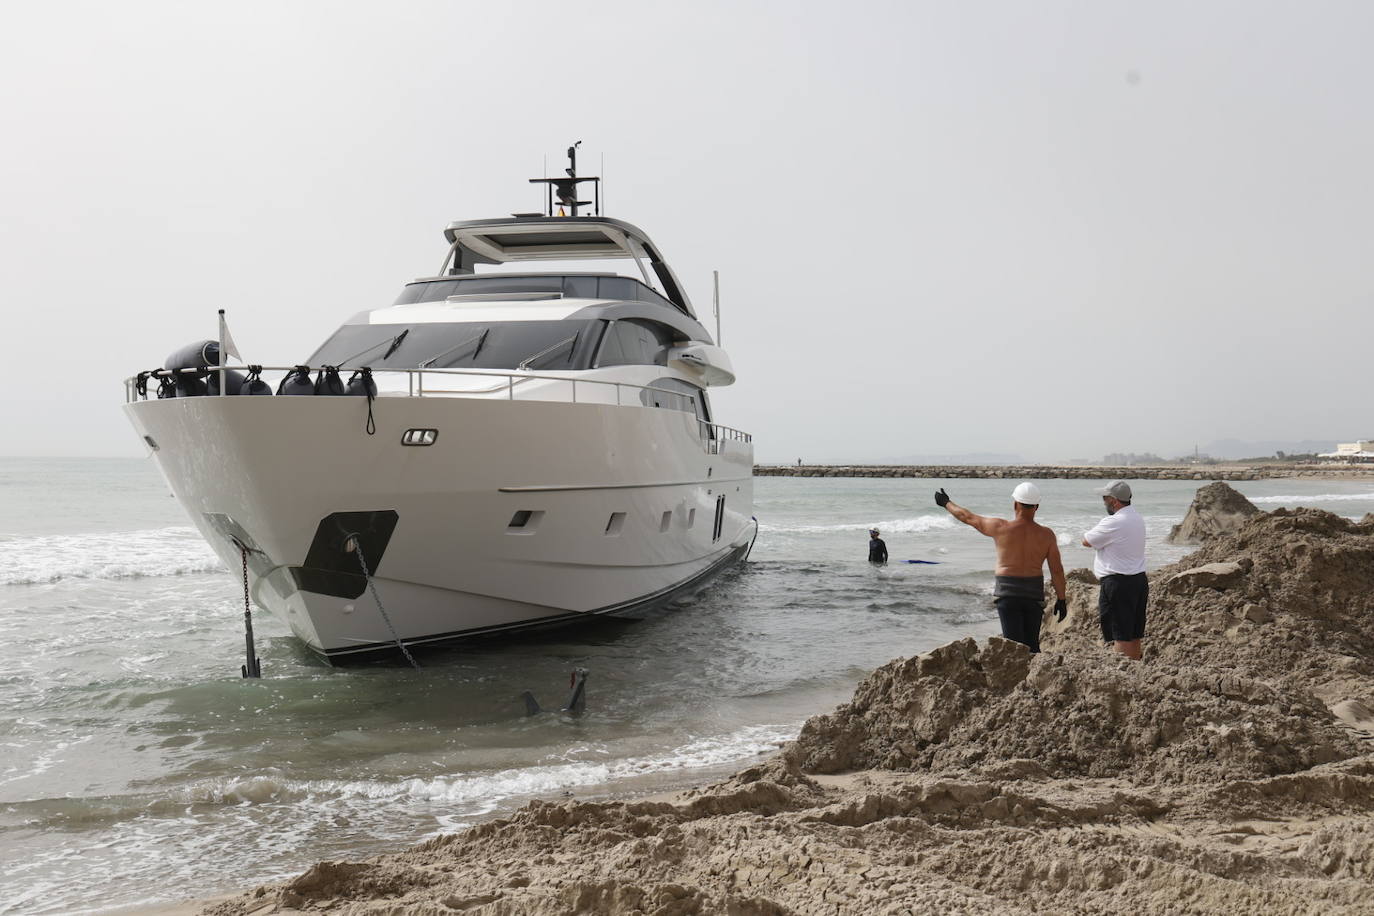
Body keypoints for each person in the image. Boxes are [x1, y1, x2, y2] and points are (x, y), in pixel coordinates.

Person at [936, 482, 1067, 653]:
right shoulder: (1047, 535)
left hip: (1008, 595)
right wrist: (1062, 599)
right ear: (1036, 506)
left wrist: (946, 502)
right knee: (1032, 646)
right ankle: (1032, 676)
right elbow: (1056, 570)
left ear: (1015, 504)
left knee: (1013, 647)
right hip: (1033, 596)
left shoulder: (1000, 527)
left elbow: (967, 517)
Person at [1081, 480, 1147, 660]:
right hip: (1138, 580)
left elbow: (1086, 541)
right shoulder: (1137, 518)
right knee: (1134, 633)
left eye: (1105, 498)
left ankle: (1123, 675)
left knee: (1120, 633)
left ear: (1114, 501)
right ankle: (1134, 670)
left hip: (1118, 582)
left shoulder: (1114, 521)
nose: (1103, 502)